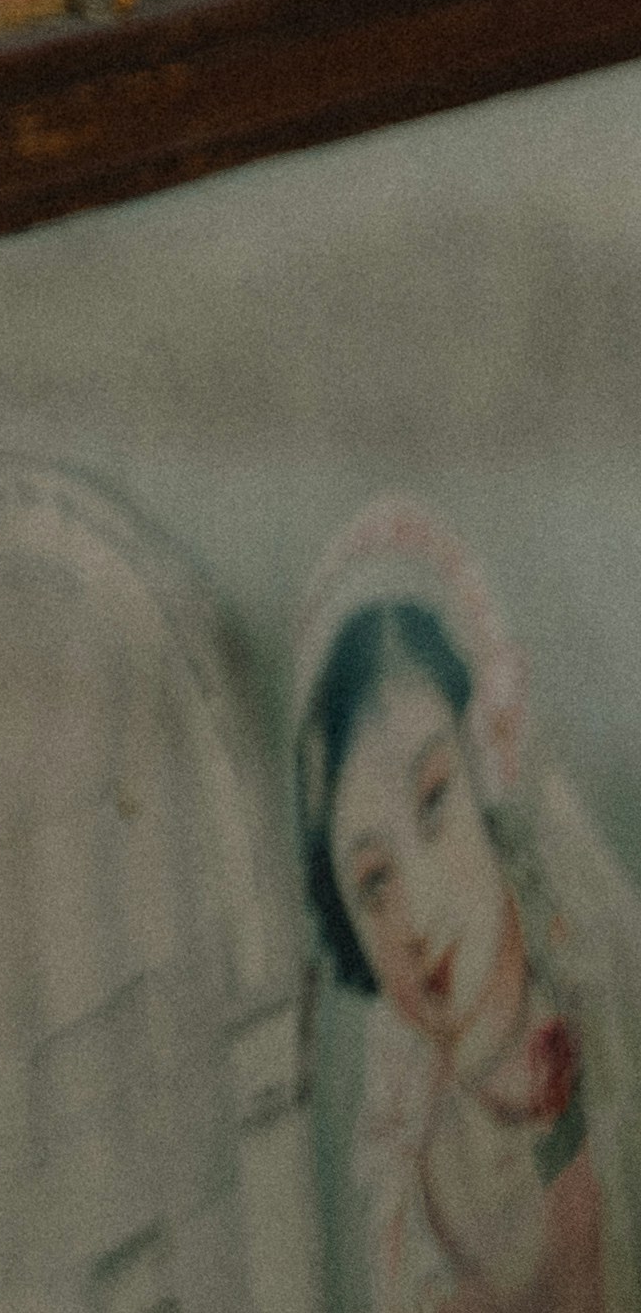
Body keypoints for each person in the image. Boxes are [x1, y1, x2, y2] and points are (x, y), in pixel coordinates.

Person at [301, 509, 632, 1313]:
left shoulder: (612, 1009)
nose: (414, 915)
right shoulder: (419, 1170)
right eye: (374, 882)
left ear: (487, 775)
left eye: (434, 801)